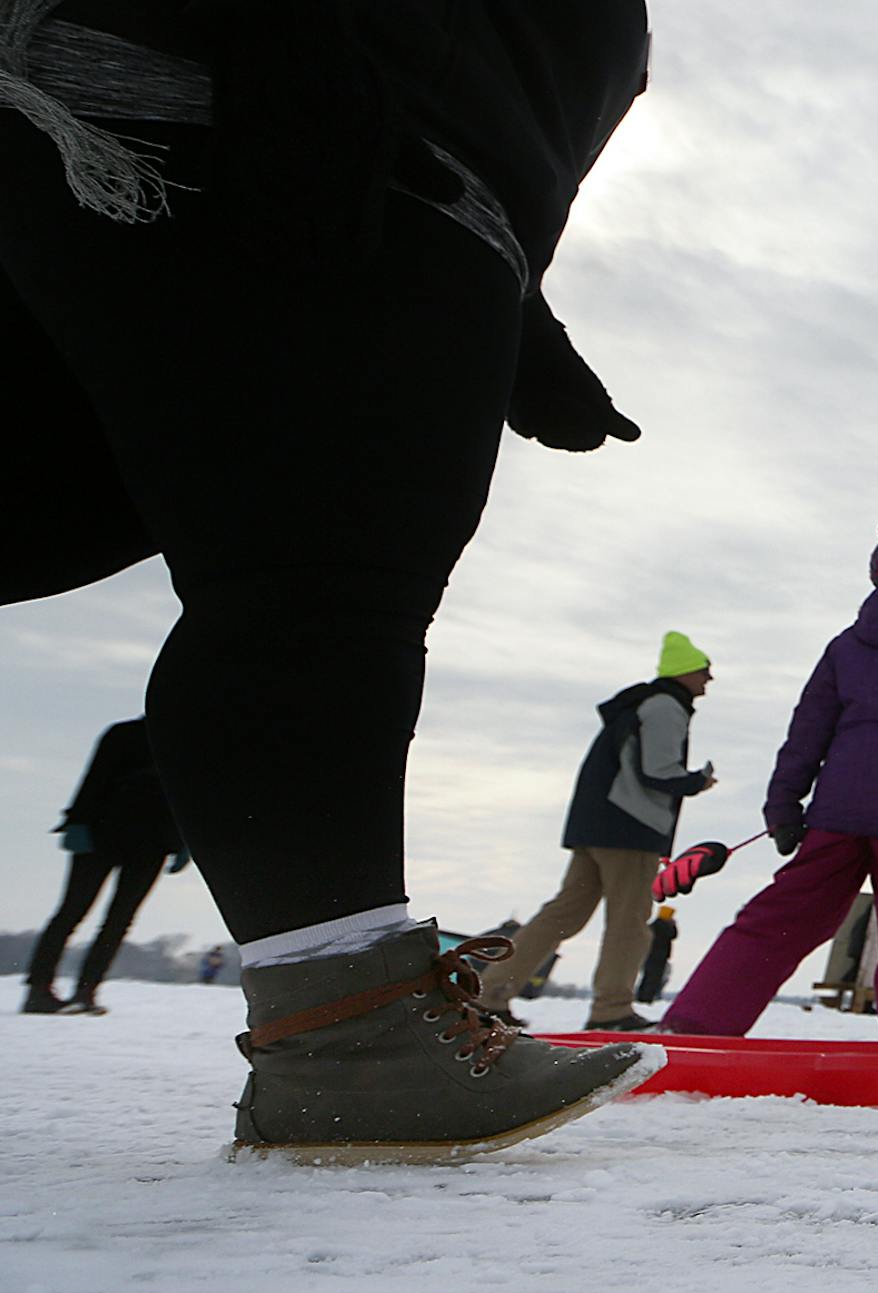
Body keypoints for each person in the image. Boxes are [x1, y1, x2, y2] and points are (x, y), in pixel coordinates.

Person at [1, 1, 661, 1158]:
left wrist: (521, 312)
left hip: (288, 123)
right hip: (244, 115)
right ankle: (350, 1044)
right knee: (318, 573)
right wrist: (283, 36)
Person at [662, 520, 878, 1040]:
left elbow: (807, 731)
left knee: (782, 918)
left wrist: (783, 805)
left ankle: (694, 1027)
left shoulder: (847, 644)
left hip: (837, 812)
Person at [479, 633, 717, 1031]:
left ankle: (490, 995)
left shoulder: (638, 704)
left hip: (597, 824)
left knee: (563, 914)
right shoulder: (665, 708)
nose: (709, 681)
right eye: (705, 672)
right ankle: (612, 1011)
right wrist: (697, 782)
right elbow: (658, 771)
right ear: (686, 671)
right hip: (631, 828)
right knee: (629, 921)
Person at [22, 718, 189, 1015]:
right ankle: (40, 989)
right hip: (102, 834)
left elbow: (187, 797)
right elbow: (96, 777)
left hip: (150, 842)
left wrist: (184, 843)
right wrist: (78, 821)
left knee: (114, 919)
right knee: (75, 912)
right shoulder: (126, 734)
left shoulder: (184, 743)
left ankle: (85, 990)